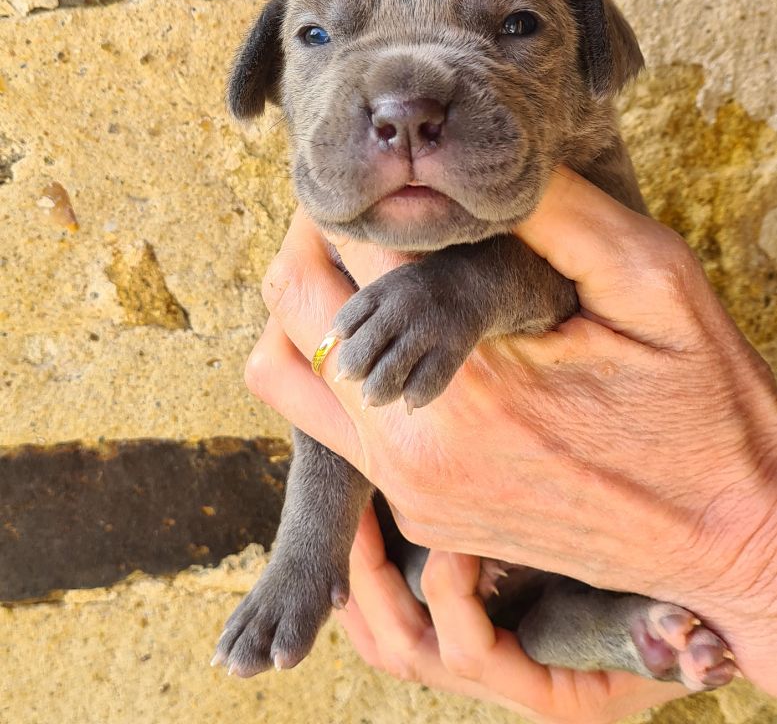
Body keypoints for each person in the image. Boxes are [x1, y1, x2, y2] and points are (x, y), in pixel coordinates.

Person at [245, 167, 777, 723]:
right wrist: (306, 551)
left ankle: (634, 635)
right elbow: (343, 396)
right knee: (501, 614)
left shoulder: (549, 186)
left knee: (529, 617)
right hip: (463, 565)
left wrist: (745, 565)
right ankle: (637, 638)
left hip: (567, 566)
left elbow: (553, 289)